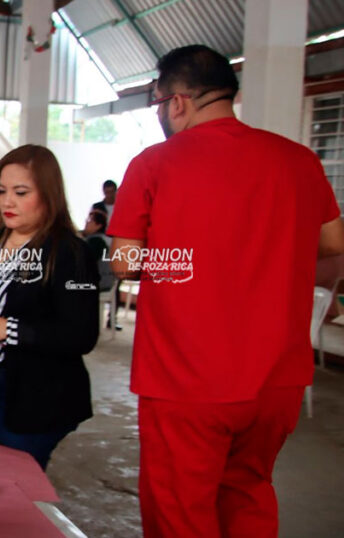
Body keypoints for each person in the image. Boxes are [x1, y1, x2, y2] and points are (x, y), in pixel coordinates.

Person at [107, 45, 344, 538]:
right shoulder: (298, 160)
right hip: (277, 380)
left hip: (188, 381)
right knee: (248, 495)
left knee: (181, 514)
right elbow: (333, 242)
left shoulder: (155, 164)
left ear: (175, 102)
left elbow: (126, 263)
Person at [0, 145, 98, 470]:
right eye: (2, 191)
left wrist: (9, 330)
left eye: (21, 192)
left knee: (10, 482)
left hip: (36, 394)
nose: (7, 201)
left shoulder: (69, 253)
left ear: (48, 194)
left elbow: (81, 335)